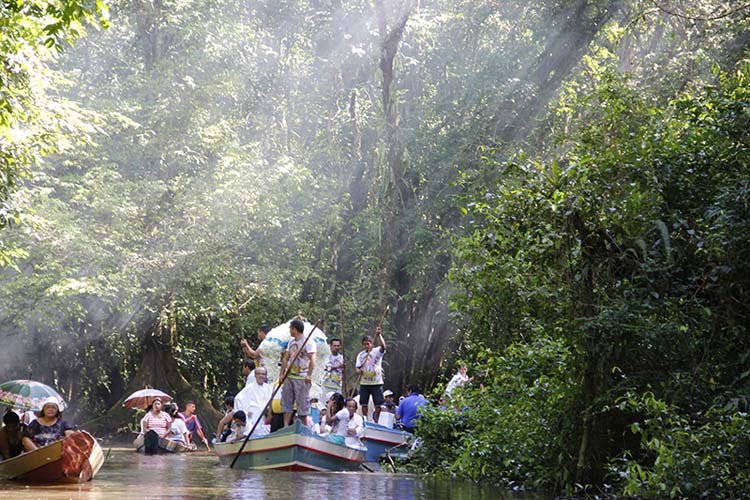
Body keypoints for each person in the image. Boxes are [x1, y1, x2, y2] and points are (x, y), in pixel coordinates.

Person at [280, 319, 316, 427]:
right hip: (290, 375)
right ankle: (286, 426)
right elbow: (286, 359)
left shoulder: (308, 342)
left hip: (302, 376)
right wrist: (281, 374)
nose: (289, 330)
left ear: (294, 329)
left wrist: (309, 375)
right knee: (287, 403)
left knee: (302, 405)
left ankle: (303, 427)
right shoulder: (291, 342)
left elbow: (313, 359)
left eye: (290, 328)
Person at [355, 326, 387, 423]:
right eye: (364, 344)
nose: (366, 346)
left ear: (371, 344)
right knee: (363, 403)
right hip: (364, 383)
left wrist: (379, 335)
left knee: (378, 404)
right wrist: (358, 371)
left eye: (368, 344)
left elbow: (383, 347)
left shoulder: (376, 351)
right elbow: (357, 367)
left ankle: (376, 420)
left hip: (376, 382)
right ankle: (364, 419)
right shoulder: (361, 355)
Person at [234, 365, 273, 437]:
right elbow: (238, 399)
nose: (261, 376)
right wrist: (244, 413)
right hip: (253, 417)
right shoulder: (249, 388)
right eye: (259, 374)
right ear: (255, 375)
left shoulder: (268, 388)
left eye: (263, 374)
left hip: (265, 418)